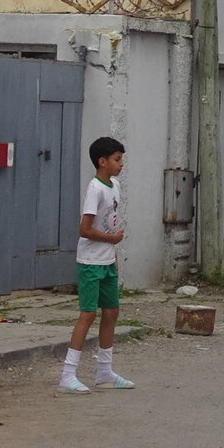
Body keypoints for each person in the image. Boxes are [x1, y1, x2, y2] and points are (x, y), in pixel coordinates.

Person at [60, 136, 135, 393]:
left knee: (112, 312)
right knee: (88, 314)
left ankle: (105, 371)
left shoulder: (114, 185)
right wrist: (111, 239)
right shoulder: (95, 189)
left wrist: (112, 252)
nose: (121, 164)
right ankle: (68, 374)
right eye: (117, 159)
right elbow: (84, 229)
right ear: (102, 162)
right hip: (90, 261)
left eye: (121, 159)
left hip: (106, 260)